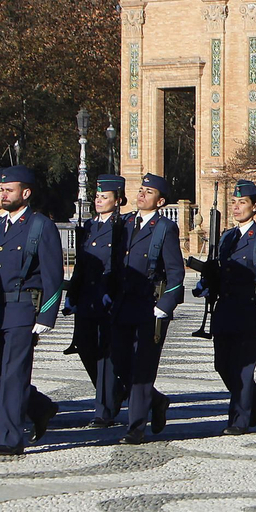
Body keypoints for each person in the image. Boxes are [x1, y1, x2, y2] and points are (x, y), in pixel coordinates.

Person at [0, 165, 63, 455]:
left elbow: (54, 274)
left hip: (21, 308)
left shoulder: (39, 226)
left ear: (25, 193)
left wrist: (46, 315)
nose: (1, 194)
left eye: (8, 190)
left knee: (14, 375)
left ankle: (10, 438)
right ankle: (39, 407)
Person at [193, 180, 256, 435]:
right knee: (222, 365)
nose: (236, 207)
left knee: (243, 368)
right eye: (233, 202)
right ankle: (255, 395)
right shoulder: (226, 238)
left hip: (250, 311)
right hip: (225, 310)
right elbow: (221, 273)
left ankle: (238, 420)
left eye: (242, 203)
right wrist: (206, 283)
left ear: (255, 207)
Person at [114, 173, 185, 445]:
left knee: (144, 366)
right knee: (119, 362)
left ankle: (135, 426)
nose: (142, 195)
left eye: (149, 192)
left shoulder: (164, 227)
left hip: (149, 304)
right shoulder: (127, 223)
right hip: (124, 302)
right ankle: (156, 400)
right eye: (141, 190)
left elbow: (176, 271)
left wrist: (165, 305)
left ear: (161, 200)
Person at [66, 174, 128, 428]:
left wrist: (112, 292)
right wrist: (71, 295)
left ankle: (104, 410)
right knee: (84, 346)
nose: (99, 201)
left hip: (107, 297)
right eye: (97, 196)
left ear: (118, 200)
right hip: (86, 297)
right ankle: (117, 390)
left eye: (105, 197)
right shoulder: (89, 226)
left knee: (105, 354)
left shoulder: (122, 227)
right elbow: (80, 266)